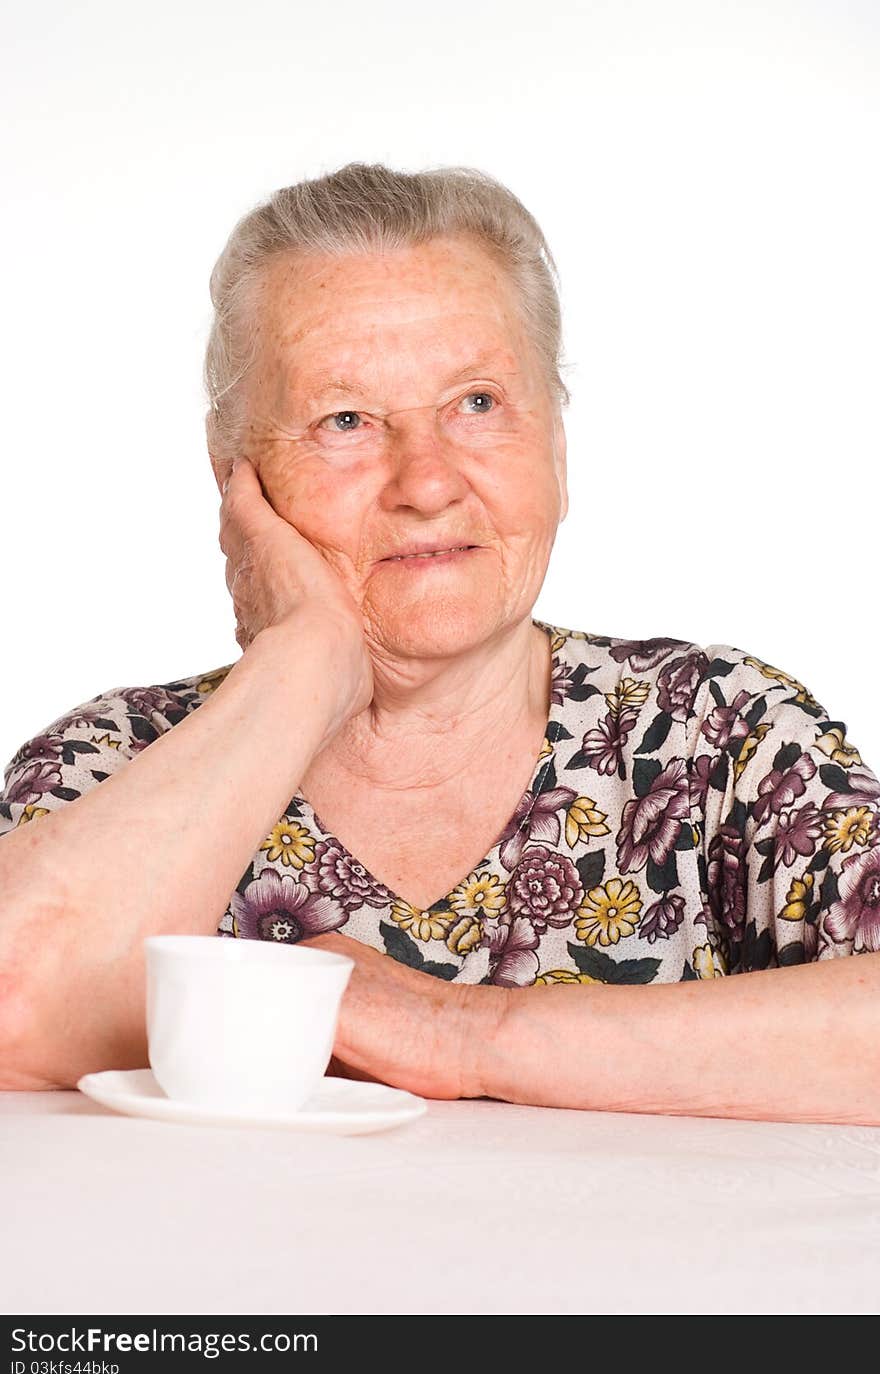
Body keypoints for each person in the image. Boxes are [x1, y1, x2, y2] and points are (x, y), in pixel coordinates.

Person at [2, 162, 879, 1123]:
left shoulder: (717, 739)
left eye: (477, 403)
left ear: (555, 443)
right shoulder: (114, 766)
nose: (426, 481)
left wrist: (457, 1030)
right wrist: (302, 663)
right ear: (237, 485)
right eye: (345, 420)